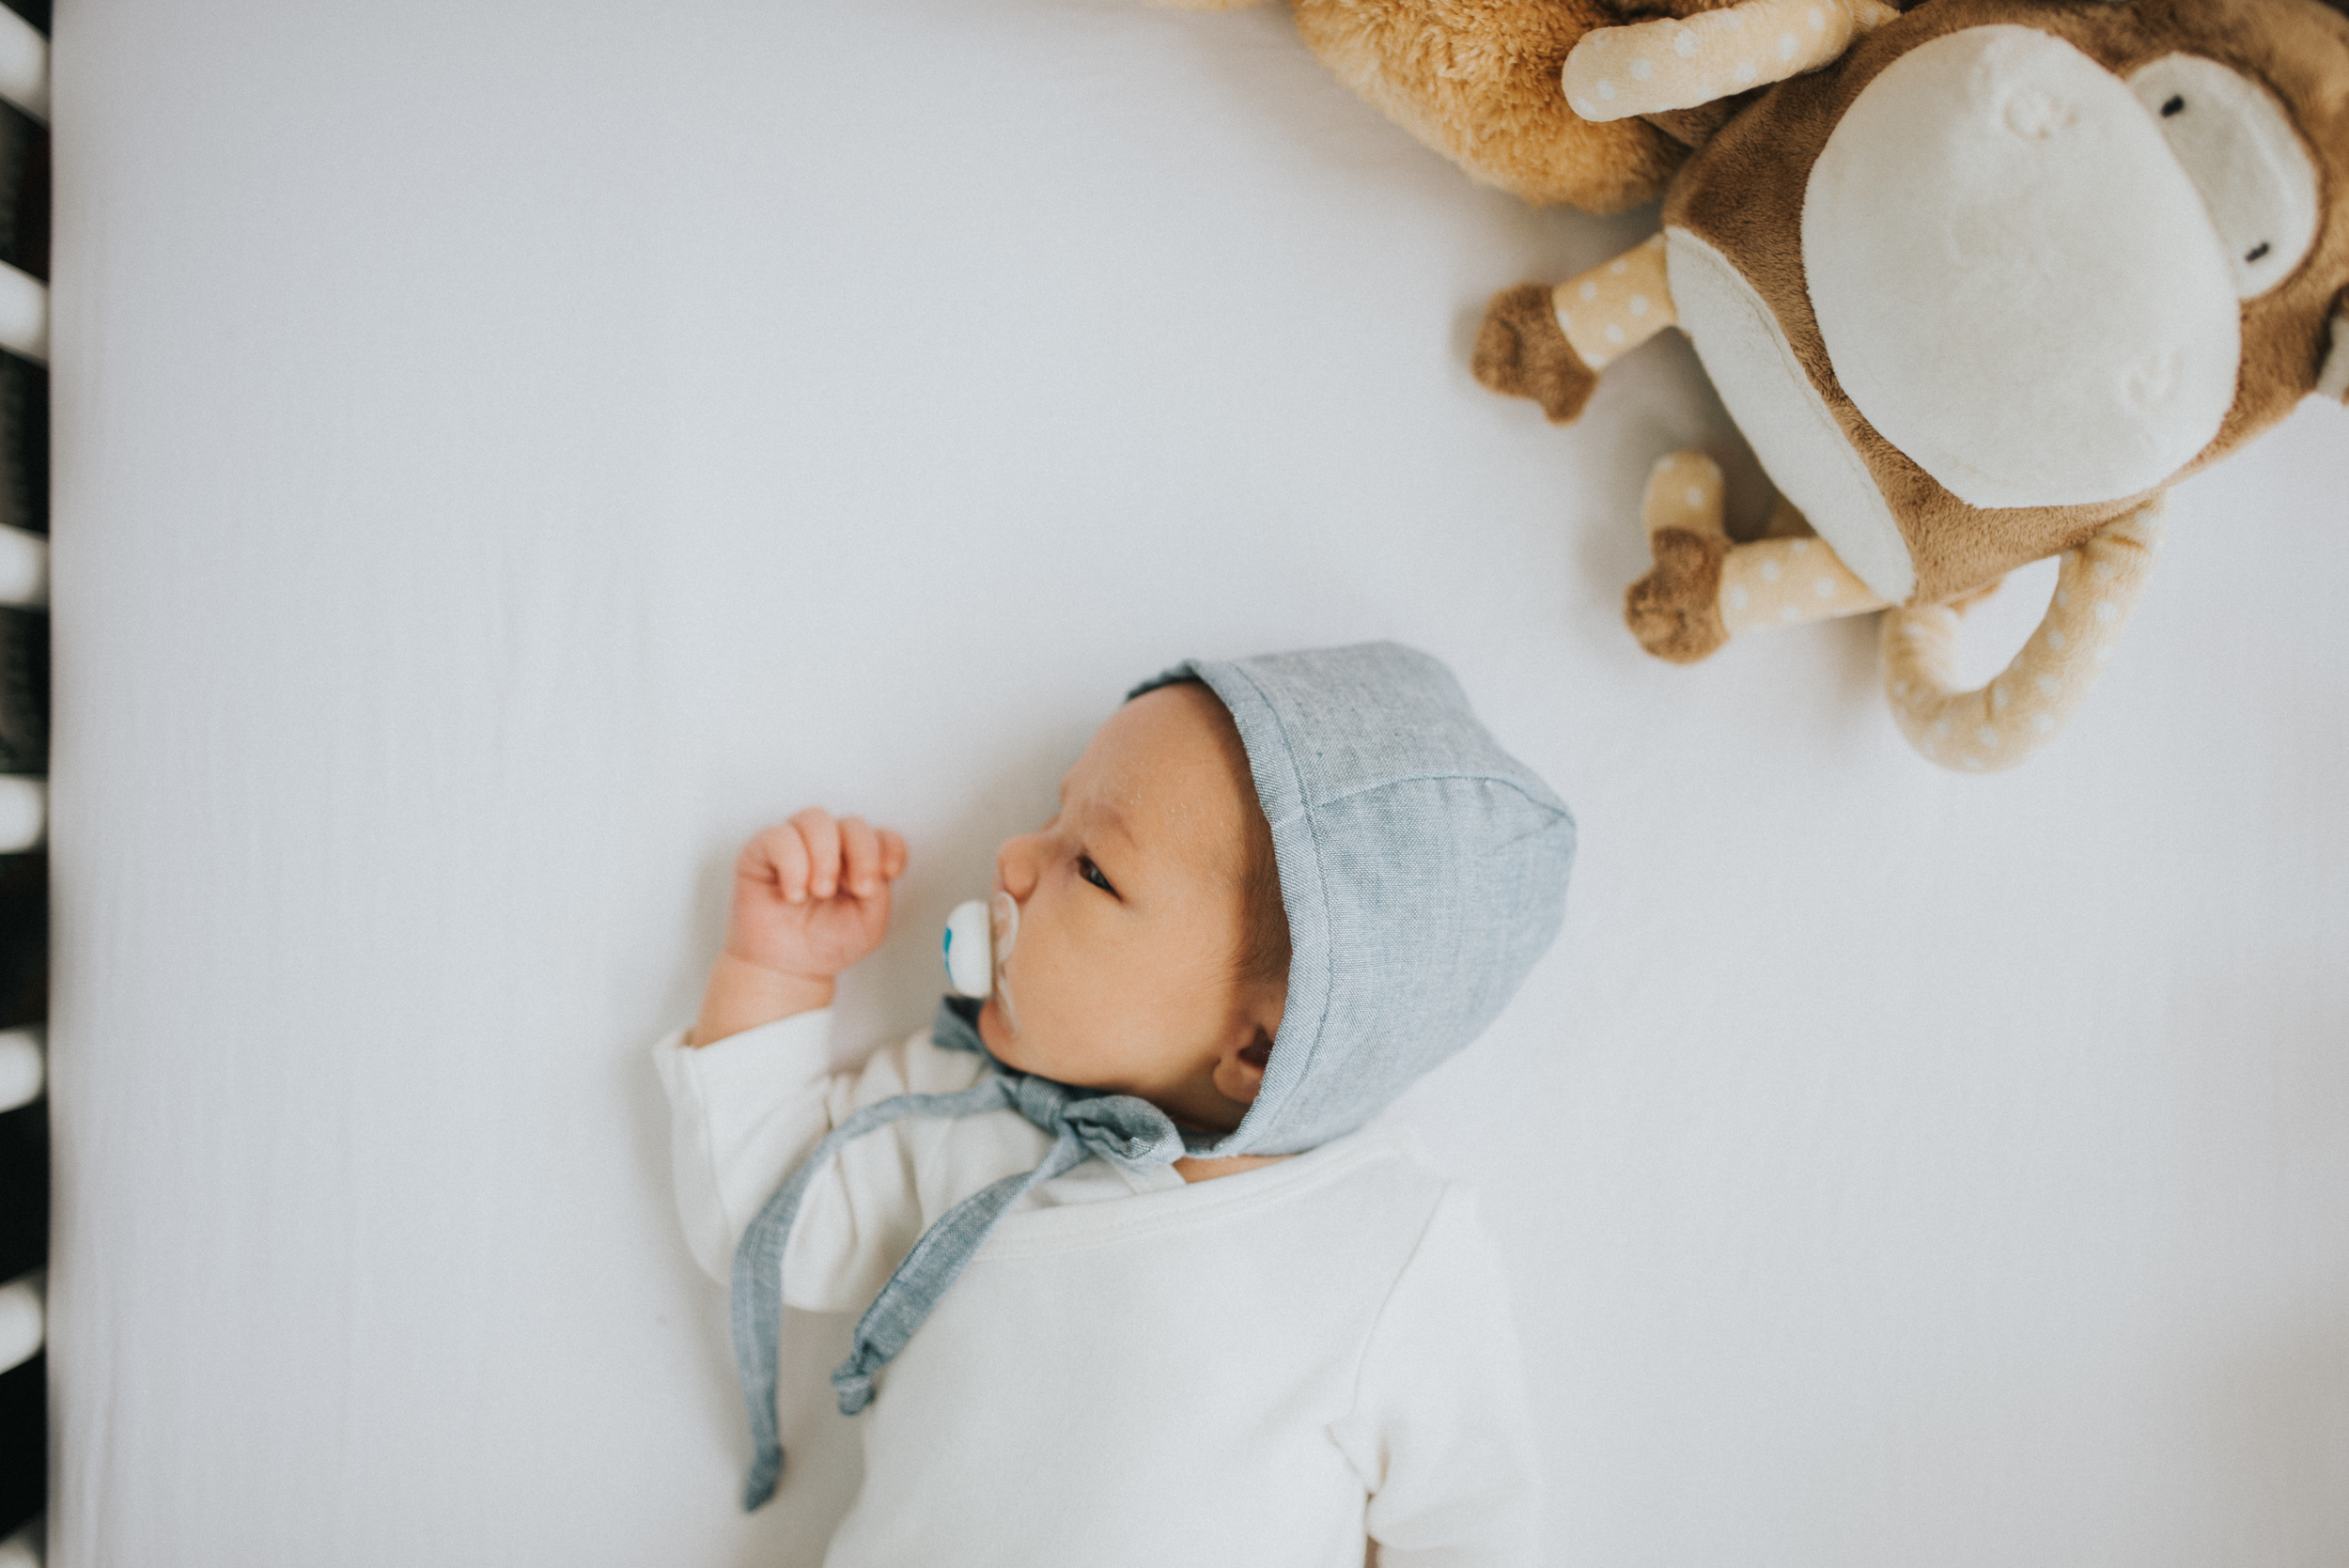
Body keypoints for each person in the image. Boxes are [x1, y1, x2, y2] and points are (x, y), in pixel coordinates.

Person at [656, 642, 1576, 1566]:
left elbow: (1470, 1519)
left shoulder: (1384, 1244)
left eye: (1091, 867)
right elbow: (767, 1222)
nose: (1014, 857)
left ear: (1255, 1045)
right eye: (1051, 816)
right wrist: (776, 971)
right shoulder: (965, 1116)